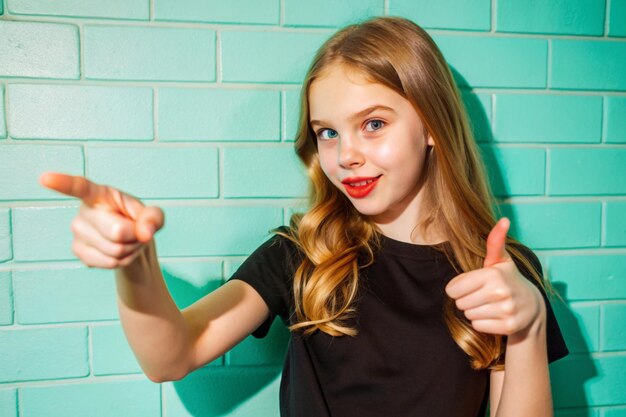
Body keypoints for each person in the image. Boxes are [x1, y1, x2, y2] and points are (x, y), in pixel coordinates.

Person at [39, 16, 569, 417]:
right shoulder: (301, 252)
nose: (347, 155)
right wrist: (134, 265)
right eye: (328, 132)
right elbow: (171, 356)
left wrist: (528, 328)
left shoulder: (501, 274)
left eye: (374, 123)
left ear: (432, 124)